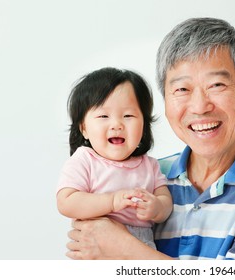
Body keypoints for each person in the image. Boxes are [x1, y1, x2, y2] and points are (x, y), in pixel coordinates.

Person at [66, 17, 235, 260]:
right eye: (182, 89)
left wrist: (123, 248)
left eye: (216, 85)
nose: (200, 106)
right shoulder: (148, 177)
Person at [57, 67, 172, 249]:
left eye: (128, 116)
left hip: (143, 246)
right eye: (103, 116)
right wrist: (111, 201)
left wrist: (157, 208)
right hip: (95, 243)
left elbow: (165, 201)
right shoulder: (85, 160)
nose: (117, 124)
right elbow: (66, 202)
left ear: (144, 126)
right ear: (84, 128)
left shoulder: (149, 165)